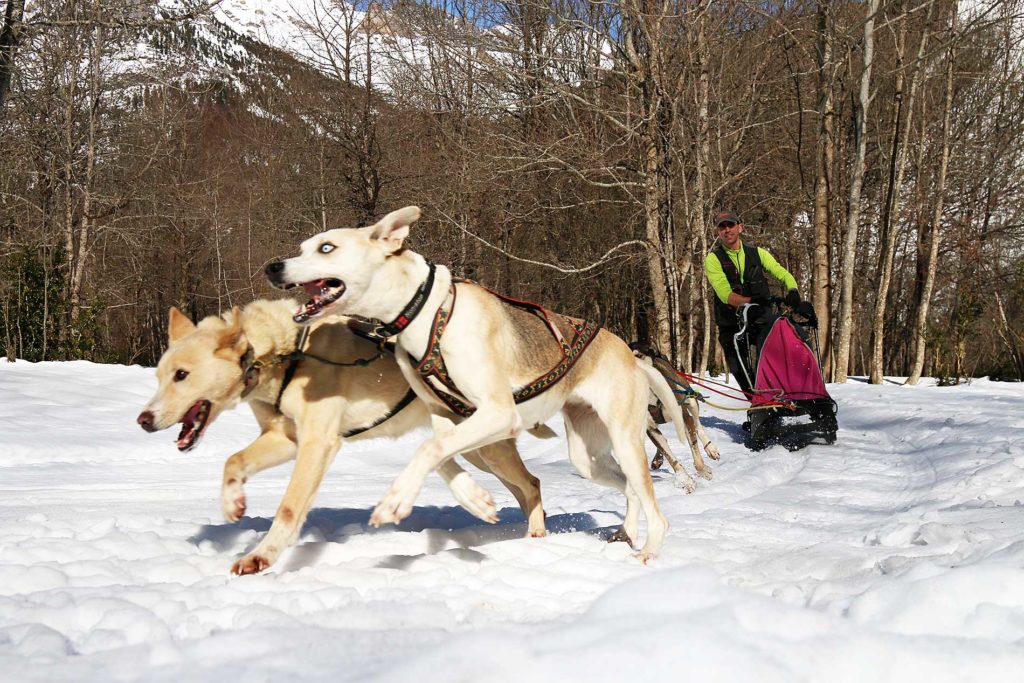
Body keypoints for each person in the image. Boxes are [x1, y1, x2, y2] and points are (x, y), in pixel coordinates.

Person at [704, 210, 802, 397]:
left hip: (760, 318)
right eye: (722, 227)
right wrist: (752, 302)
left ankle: (781, 395)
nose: (727, 230)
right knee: (737, 365)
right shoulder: (713, 259)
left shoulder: (758, 253)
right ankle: (757, 402)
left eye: (730, 225)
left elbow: (781, 272)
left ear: (740, 228)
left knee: (773, 352)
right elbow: (725, 294)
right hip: (730, 320)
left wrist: (793, 290)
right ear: (718, 231)